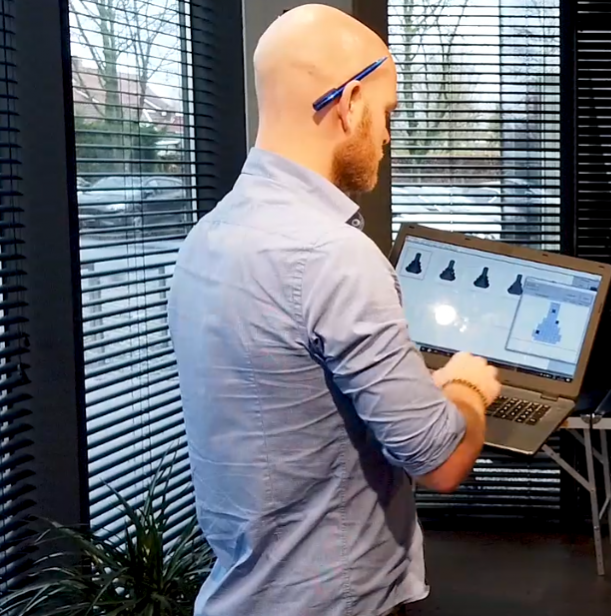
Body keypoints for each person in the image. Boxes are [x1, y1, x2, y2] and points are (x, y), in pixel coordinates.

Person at [166, 5, 502, 616]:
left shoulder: (206, 240)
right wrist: (466, 386)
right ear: (349, 103)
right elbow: (442, 463)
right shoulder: (334, 256)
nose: (388, 137)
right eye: (387, 114)